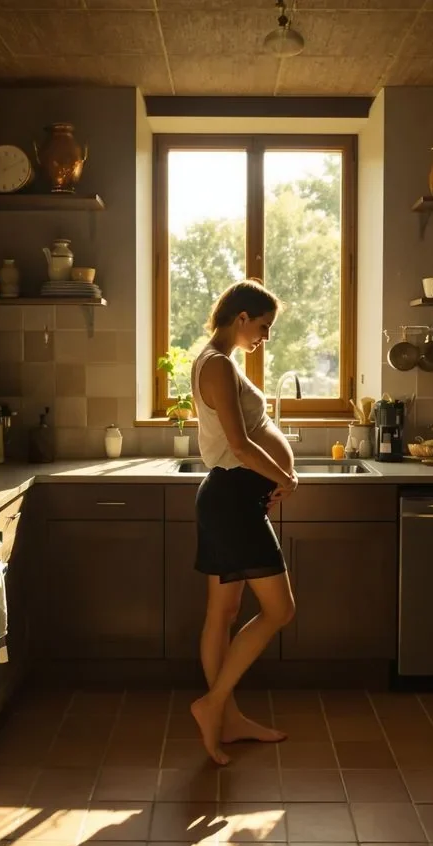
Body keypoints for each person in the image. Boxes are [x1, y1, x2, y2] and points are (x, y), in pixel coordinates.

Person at [186, 279, 299, 765]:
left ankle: (226, 717)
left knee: (224, 613)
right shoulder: (215, 365)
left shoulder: (218, 362)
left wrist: (273, 477)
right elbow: (238, 444)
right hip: (232, 500)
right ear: (241, 318)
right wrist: (286, 479)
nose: (265, 338)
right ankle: (212, 706)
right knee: (280, 611)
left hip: (232, 499)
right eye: (264, 327)